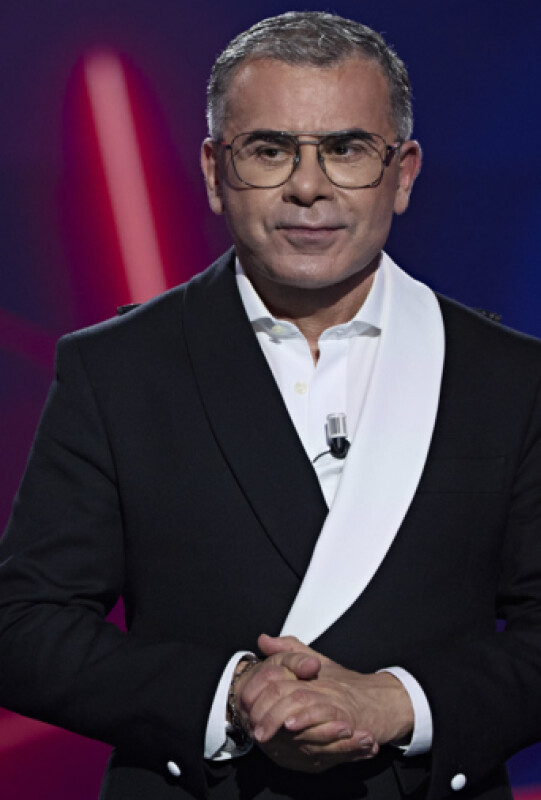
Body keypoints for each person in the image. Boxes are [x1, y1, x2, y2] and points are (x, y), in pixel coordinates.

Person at [1, 10, 541, 800]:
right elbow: (22, 626)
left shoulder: (512, 377)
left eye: (346, 149)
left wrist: (398, 703)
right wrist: (229, 696)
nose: (307, 186)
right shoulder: (114, 369)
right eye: (269, 149)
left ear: (402, 173)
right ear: (215, 171)